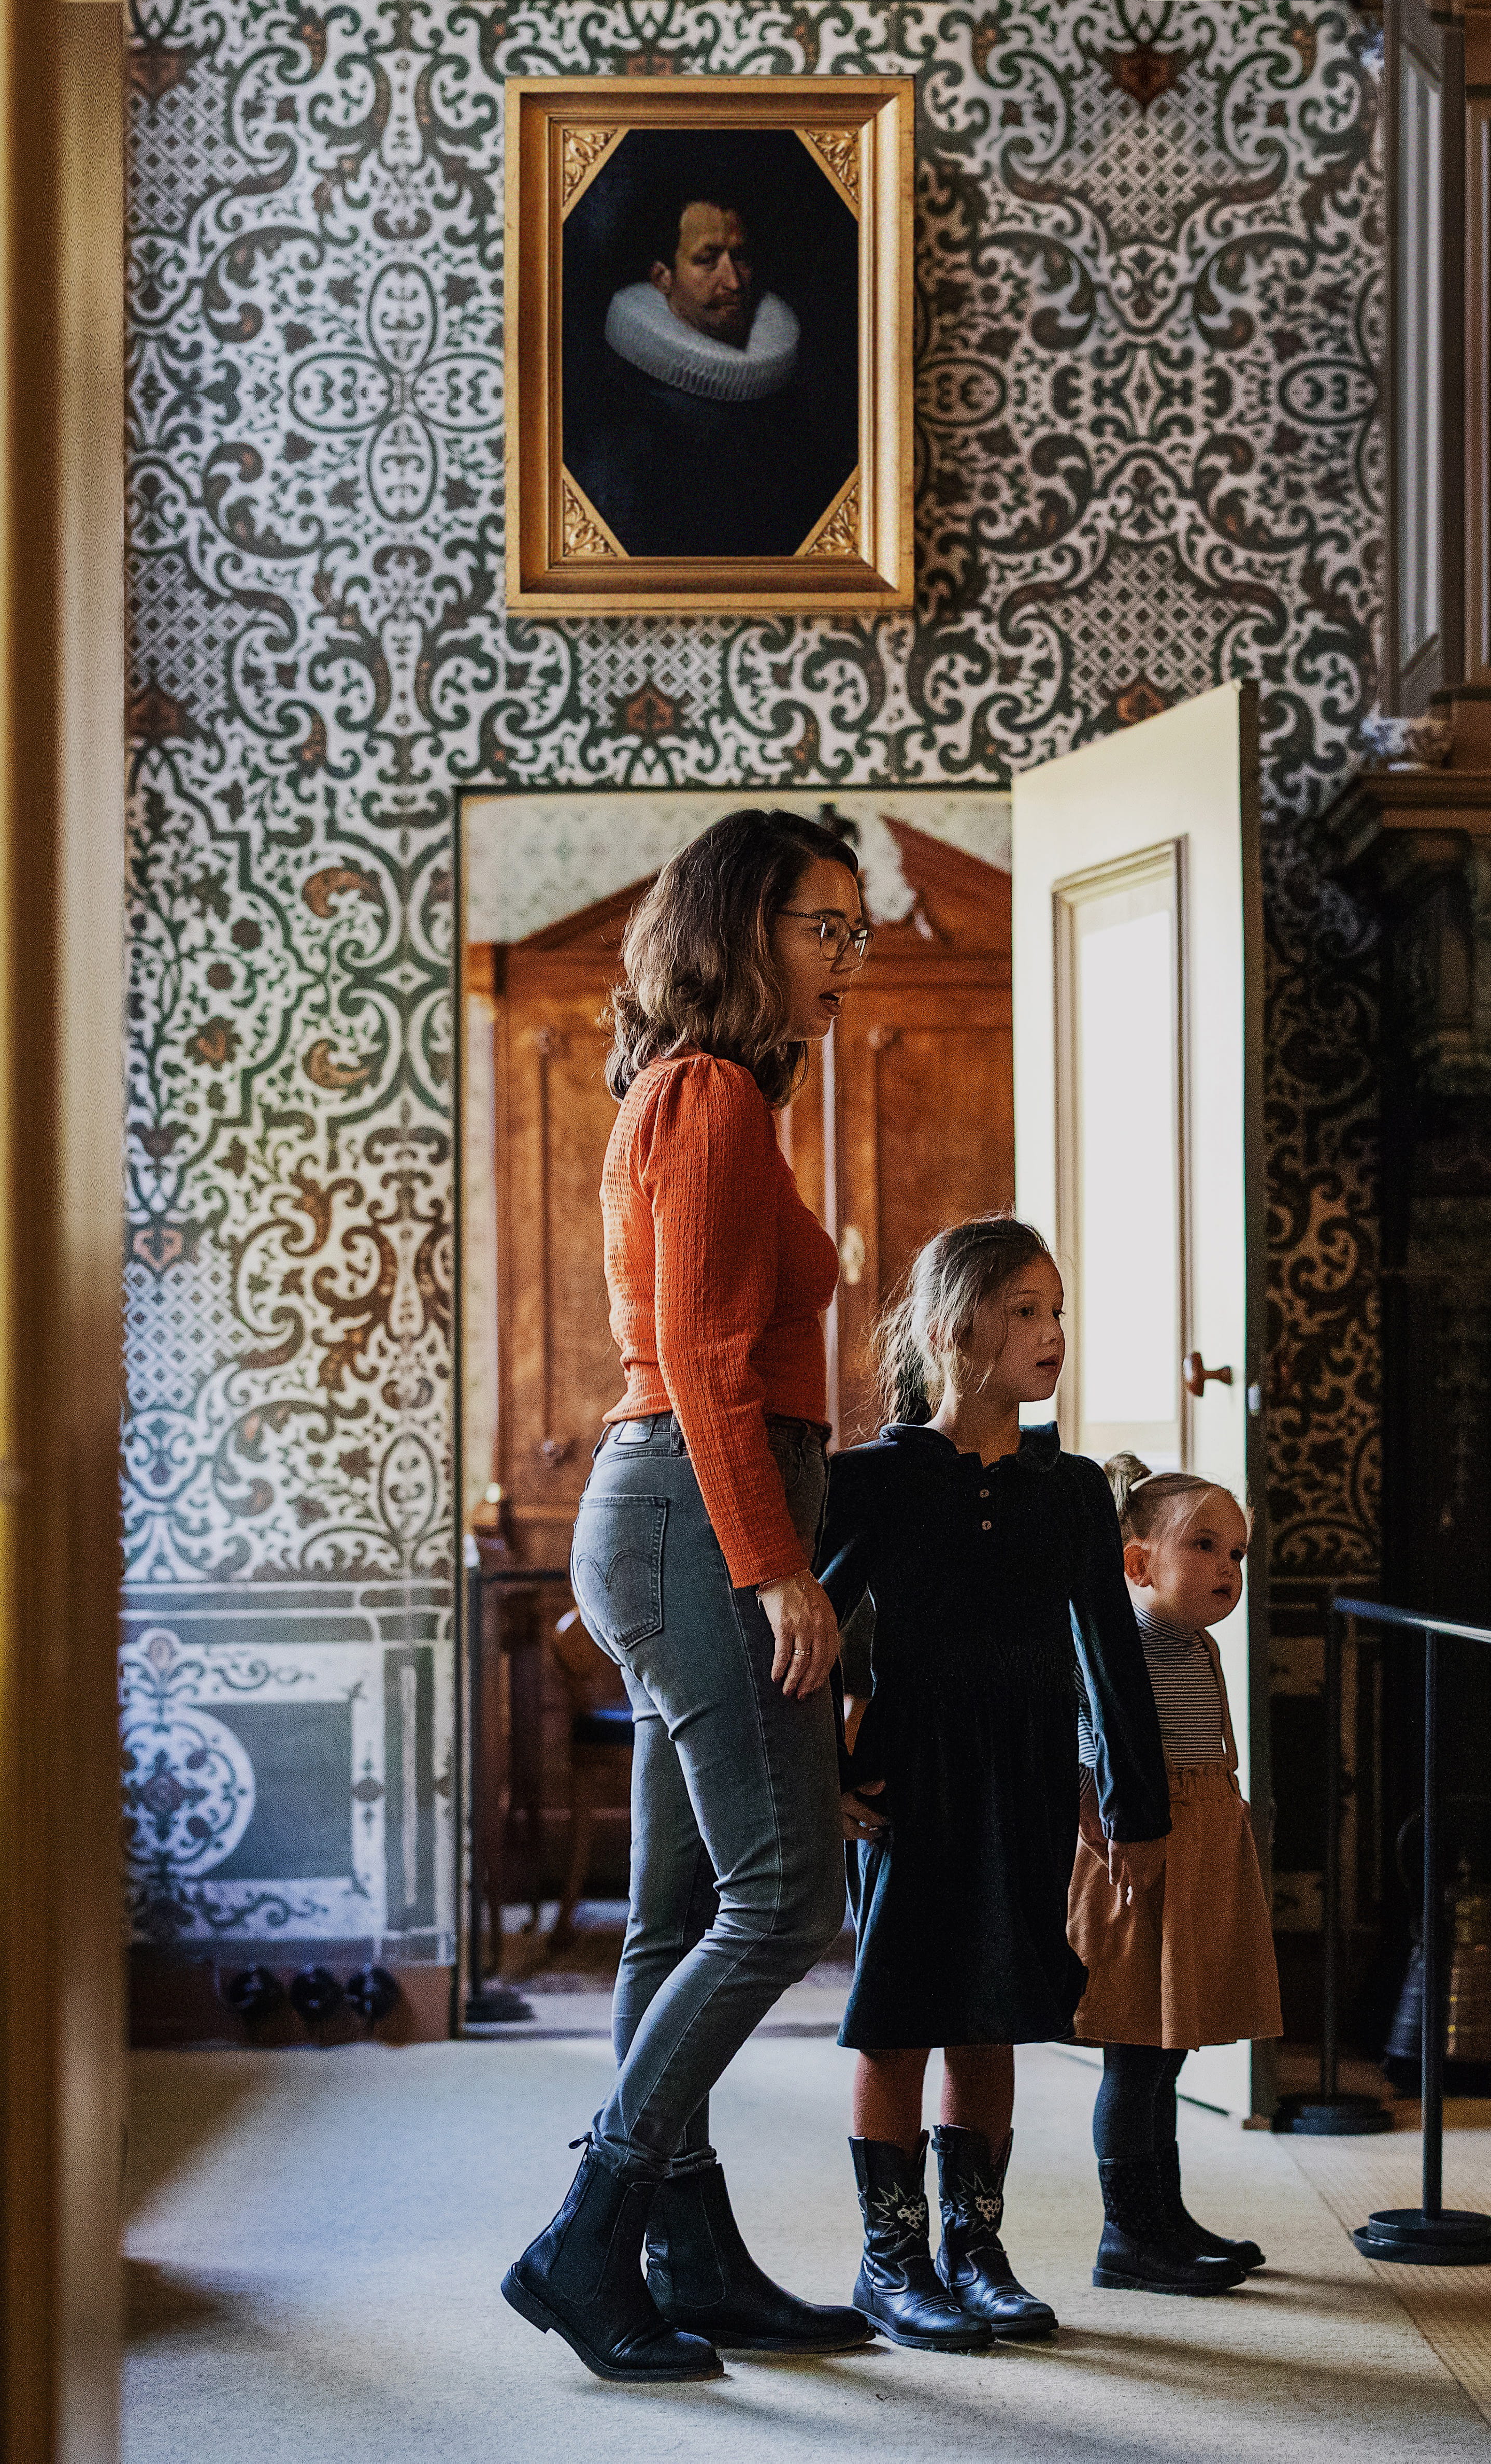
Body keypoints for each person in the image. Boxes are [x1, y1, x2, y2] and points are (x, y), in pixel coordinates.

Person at [500, 808, 880, 2384]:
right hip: (698, 1507)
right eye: (820, 926)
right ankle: (591, 2230)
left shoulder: (712, 1095)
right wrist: (776, 1563)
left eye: (858, 929)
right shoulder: (709, 1094)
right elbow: (713, 1362)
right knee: (782, 1899)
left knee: (670, 1916)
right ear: (737, 931)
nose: (847, 957)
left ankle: (689, 2248)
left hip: (682, 1502)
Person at [814, 1217, 1175, 2351]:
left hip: (1023, 1773)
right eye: (1025, 1309)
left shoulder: (1069, 1488)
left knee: (994, 2012)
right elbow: (801, 1633)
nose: (1051, 1331)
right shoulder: (871, 1479)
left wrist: (1138, 1803)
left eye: (1056, 1309)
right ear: (951, 1326)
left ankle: (976, 2250)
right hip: (911, 1775)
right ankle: (893, 2259)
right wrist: (816, 1771)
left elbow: (1110, 1649)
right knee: (900, 2017)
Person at [1068, 1460, 1288, 2292]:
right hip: (1139, 1864)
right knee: (1136, 2055)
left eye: (1237, 1553)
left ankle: (1165, 2214)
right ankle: (1127, 2234)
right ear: (1137, 1564)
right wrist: (1113, 1844)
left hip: (1197, 1857)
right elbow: (1089, 1760)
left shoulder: (1192, 1644)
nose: (1228, 1570)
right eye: (1204, 1546)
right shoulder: (1120, 1643)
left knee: (1173, 2050)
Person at [565, 185, 855, 558]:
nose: (734, 282)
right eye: (707, 261)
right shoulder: (624, 415)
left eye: (741, 258)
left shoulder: (790, 403)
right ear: (662, 278)